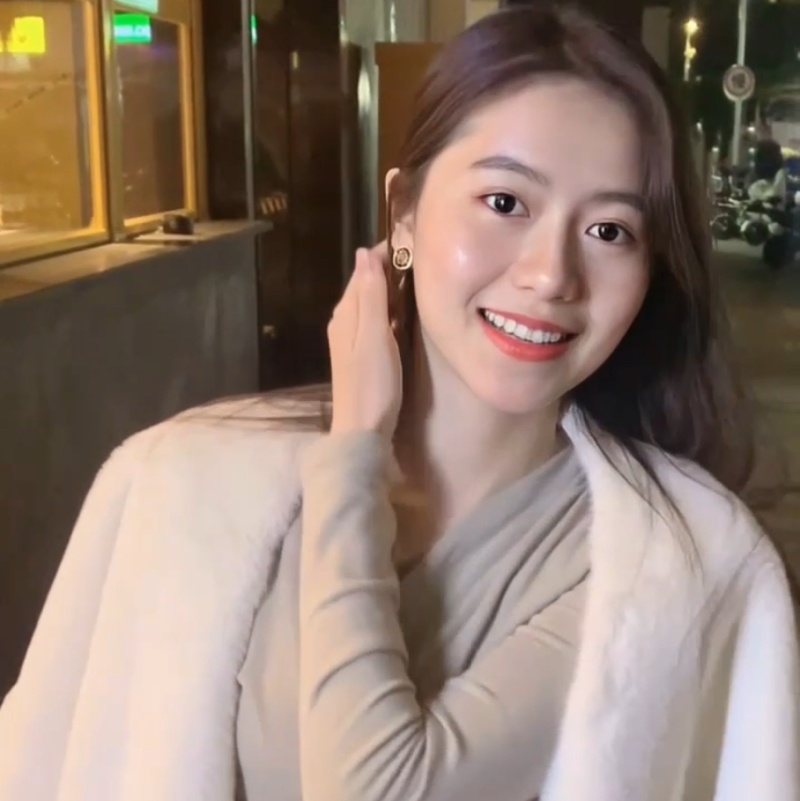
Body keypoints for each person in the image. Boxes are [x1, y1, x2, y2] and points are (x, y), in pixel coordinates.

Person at [1, 6, 798, 801]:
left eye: (610, 231)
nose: (551, 274)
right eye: (505, 202)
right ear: (404, 212)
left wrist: (353, 456)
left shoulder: (668, 561)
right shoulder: (183, 481)